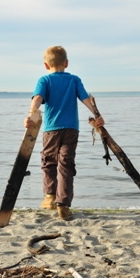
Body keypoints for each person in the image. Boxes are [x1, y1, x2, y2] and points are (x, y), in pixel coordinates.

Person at [25, 46, 104, 220]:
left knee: (49, 162)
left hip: (52, 130)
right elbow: (85, 99)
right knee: (66, 165)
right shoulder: (74, 80)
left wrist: (32, 114)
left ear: (46, 65)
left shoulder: (44, 80)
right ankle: (64, 205)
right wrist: (97, 115)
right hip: (71, 130)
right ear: (66, 63)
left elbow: (37, 98)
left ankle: (50, 195)